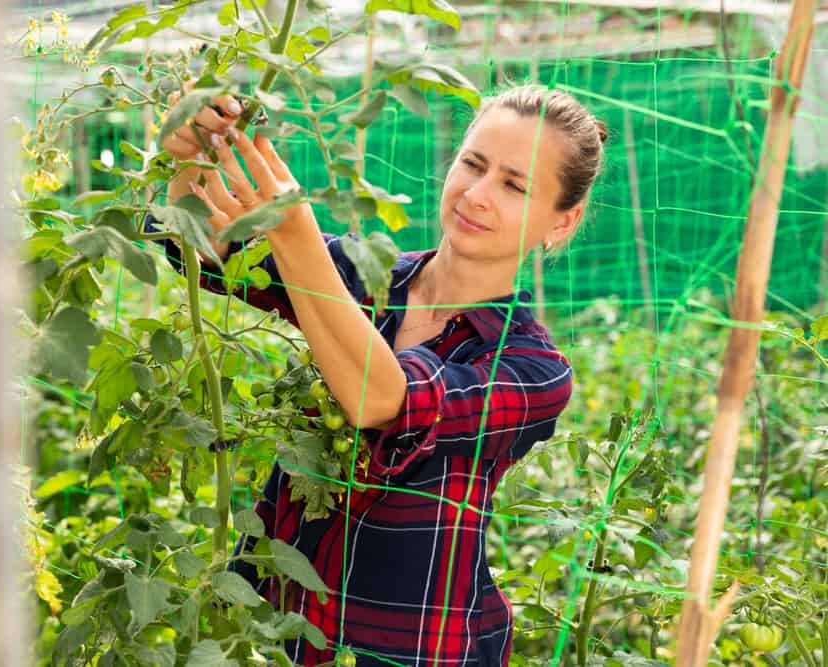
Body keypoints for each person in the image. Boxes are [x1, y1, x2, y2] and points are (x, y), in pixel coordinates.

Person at [151, 84, 608, 666]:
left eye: (514, 185)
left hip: (410, 646)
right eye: (473, 164)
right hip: (273, 628)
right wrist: (190, 157)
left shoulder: (533, 370)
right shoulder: (366, 276)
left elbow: (382, 399)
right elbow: (203, 250)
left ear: (561, 223)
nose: (478, 194)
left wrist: (294, 235)